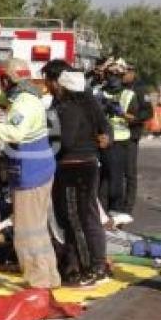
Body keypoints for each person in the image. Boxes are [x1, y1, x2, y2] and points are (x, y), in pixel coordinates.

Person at [0, 58, 60, 289]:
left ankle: (37, 280)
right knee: (38, 228)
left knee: (26, 231)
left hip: (31, 173)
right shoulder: (28, 97)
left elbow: (13, 133)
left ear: (7, 79)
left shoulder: (23, 104)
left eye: (1, 79)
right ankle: (49, 276)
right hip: (38, 169)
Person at [42, 60, 111, 286]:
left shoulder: (68, 107)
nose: (46, 85)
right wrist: (104, 137)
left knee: (74, 218)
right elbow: (105, 126)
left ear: (56, 82)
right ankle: (85, 265)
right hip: (88, 164)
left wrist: (46, 139)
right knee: (85, 216)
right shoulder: (85, 100)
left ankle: (91, 267)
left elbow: (67, 141)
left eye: (47, 80)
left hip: (73, 167)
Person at [97, 60, 137, 223]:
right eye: (111, 75)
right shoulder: (98, 92)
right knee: (100, 179)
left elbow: (135, 118)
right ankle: (101, 213)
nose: (113, 78)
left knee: (115, 179)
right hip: (100, 140)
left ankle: (116, 212)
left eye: (117, 75)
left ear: (122, 77)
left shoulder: (129, 95)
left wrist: (121, 113)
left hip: (120, 142)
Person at [122, 63, 153, 216]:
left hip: (131, 136)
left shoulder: (140, 88)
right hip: (117, 136)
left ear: (133, 72)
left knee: (129, 173)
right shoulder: (118, 86)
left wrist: (134, 119)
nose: (123, 75)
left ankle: (128, 208)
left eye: (126, 72)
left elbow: (148, 112)